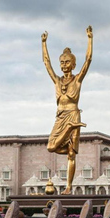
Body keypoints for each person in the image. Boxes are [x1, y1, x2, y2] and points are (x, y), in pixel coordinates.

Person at [42, 26, 93, 195]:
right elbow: (46, 63)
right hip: (62, 116)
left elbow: (88, 60)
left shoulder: (77, 80)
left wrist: (90, 39)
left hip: (73, 113)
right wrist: (43, 44)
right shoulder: (57, 81)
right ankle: (71, 127)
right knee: (51, 146)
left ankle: (69, 187)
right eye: (62, 63)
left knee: (71, 154)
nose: (64, 65)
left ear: (73, 64)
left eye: (67, 62)